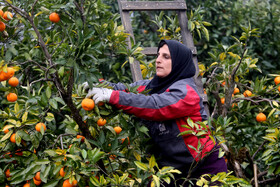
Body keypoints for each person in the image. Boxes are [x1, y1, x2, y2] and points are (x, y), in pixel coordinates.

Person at [85, 40, 227, 186]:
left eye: (166, 57)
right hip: (172, 169)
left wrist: (111, 96)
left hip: (205, 168)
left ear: (178, 62)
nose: (158, 60)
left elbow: (156, 106)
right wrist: (95, 83)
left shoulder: (186, 92)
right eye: (158, 55)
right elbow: (125, 89)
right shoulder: (152, 85)